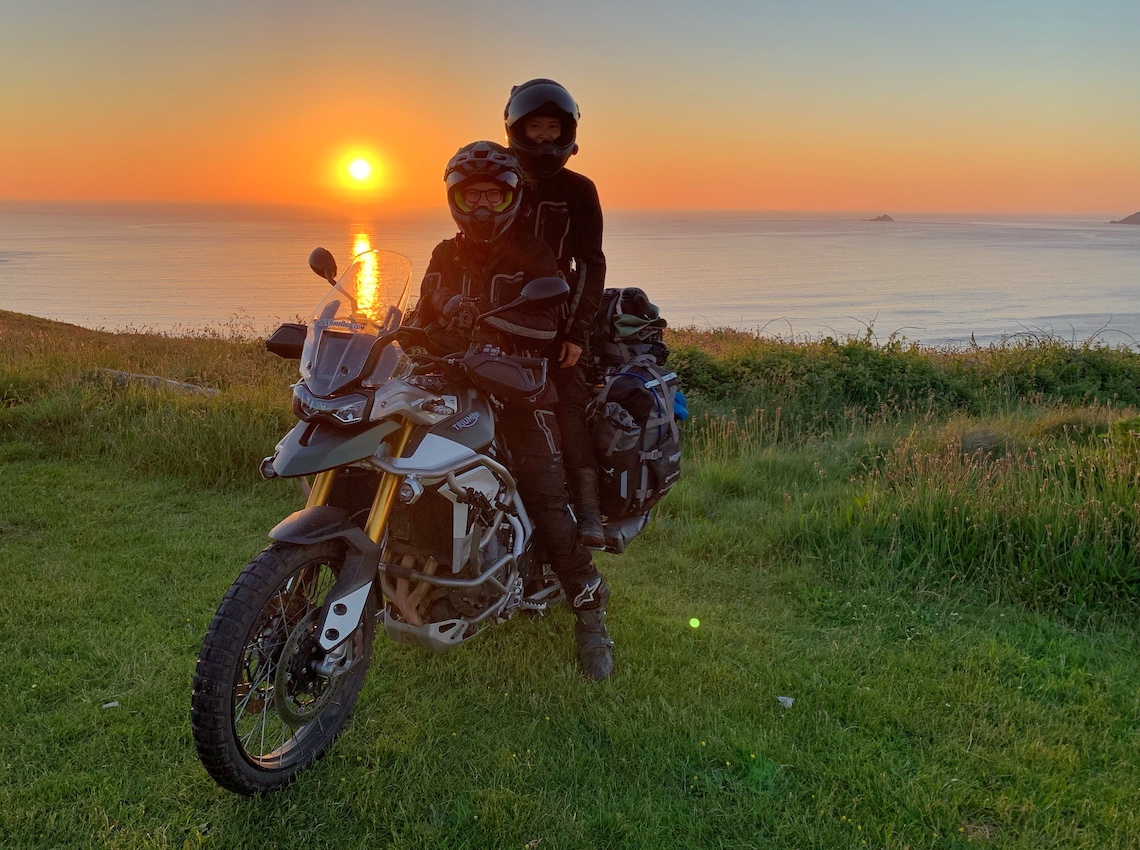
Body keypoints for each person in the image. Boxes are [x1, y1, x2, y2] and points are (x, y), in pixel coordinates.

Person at [413, 140, 614, 680]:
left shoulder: (533, 252)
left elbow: (547, 323)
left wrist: (483, 324)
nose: (482, 208)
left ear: (512, 199)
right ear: (455, 199)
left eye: (494, 197)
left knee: (544, 496)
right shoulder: (443, 254)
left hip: (517, 387)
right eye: (471, 196)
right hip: (450, 382)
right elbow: (419, 313)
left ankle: (589, 605)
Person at [504, 78, 608, 550]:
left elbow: (591, 262)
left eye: (553, 127)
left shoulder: (579, 190)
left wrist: (576, 332)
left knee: (566, 405)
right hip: (498, 309)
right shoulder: (500, 179)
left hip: (557, 314)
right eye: (536, 126)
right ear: (517, 130)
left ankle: (586, 510)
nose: (545, 137)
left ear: (566, 132)